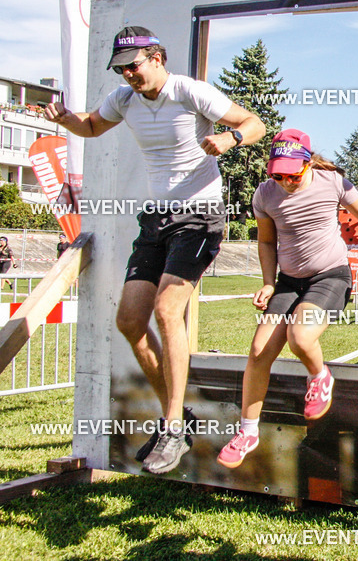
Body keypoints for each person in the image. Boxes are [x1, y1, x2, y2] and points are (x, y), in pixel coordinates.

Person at [43, 26, 266, 474]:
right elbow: (90, 126)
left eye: (135, 65)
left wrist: (228, 139)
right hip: (156, 220)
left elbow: (254, 123)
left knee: (168, 310)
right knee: (129, 320)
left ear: (157, 57)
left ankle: (169, 427)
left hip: (200, 218)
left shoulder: (190, 91)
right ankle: (178, 417)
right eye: (121, 68)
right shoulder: (124, 99)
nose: (128, 74)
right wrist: (63, 117)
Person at [217, 130, 358, 469]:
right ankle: (248, 432)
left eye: (292, 175)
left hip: (330, 276)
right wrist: (269, 284)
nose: (285, 181)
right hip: (288, 282)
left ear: (307, 163)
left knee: (300, 336)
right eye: (277, 175)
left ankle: (319, 377)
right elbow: (267, 243)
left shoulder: (333, 182)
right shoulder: (265, 195)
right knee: (257, 351)